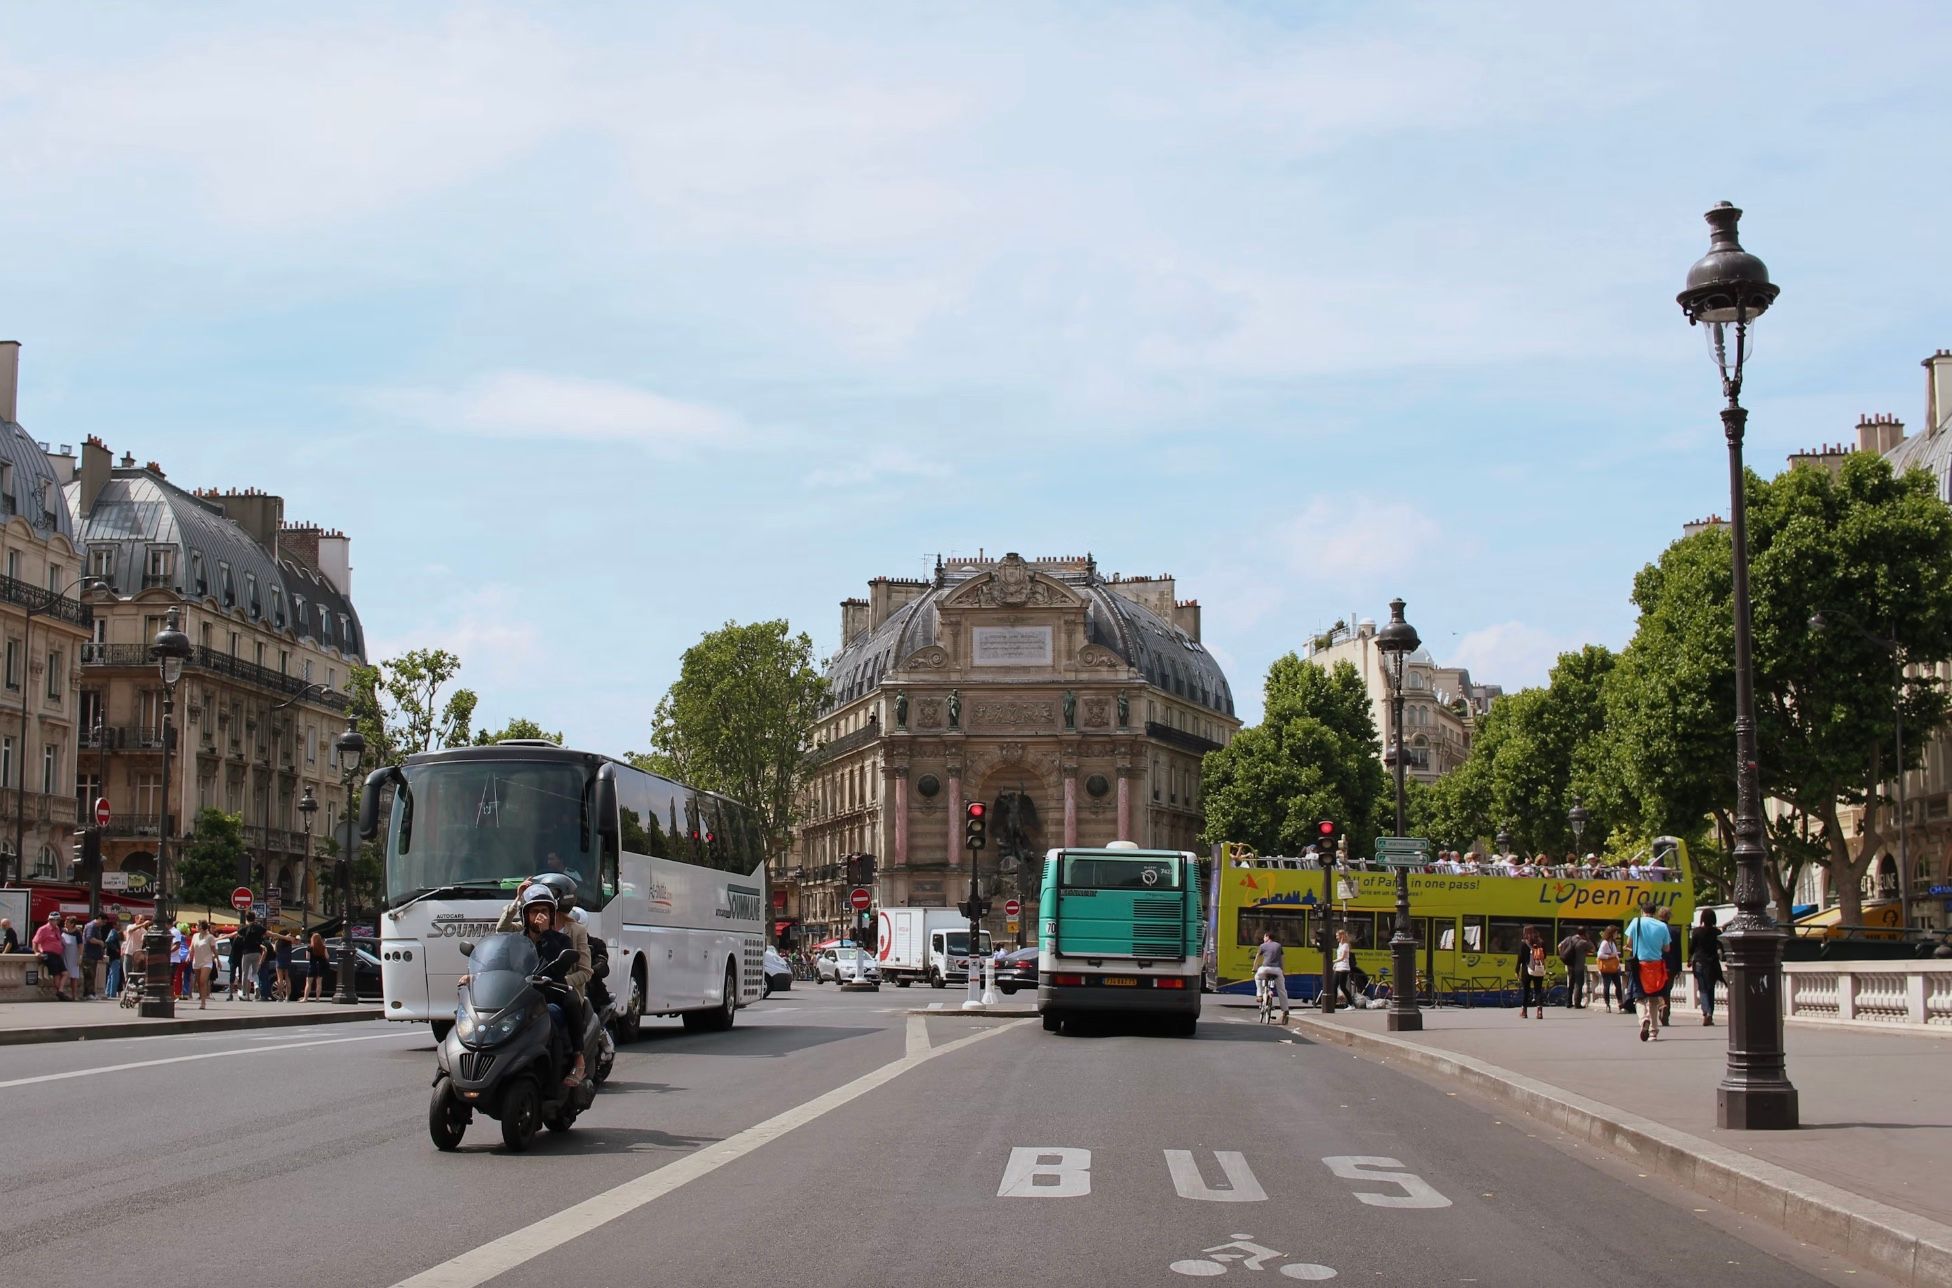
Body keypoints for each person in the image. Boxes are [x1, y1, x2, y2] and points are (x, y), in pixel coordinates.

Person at [514, 884, 585, 1086]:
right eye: (535, 911)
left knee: (569, 1002)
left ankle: (578, 1059)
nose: (540, 916)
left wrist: (545, 933)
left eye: (544, 911)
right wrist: (473, 977)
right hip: (521, 996)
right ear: (525, 914)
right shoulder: (517, 941)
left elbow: (558, 967)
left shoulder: (561, 940)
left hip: (551, 993)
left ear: (552, 915)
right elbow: (500, 962)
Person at [1624, 900, 1672, 1042]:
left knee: (1638, 997)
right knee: (1653, 999)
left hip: (1640, 965)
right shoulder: (1662, 926)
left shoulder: (1636, 922)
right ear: (1655, 912)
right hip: (1656, 966)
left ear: (1642, 911)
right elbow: (1667, 948)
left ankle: (1643, 1019)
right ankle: (1653, 1032)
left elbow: (1629, 944)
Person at [1691, 909, 1724, 1026]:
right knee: (1711, 989)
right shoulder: (1717, 932)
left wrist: (1690, 959)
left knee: (1703, 989)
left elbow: (1692, 947)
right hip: (1712, 963)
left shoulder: (1696, 932)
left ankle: (1706, 1012)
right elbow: (1722, 949)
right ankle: (1711, 1013)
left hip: (1700, 962)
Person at [33, 912, 71, 999]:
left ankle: (60, 991)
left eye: (58, 920)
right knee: (56, 974)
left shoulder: (57, 929)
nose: (57, 922)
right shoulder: (43, 929)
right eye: (56, 920)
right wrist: (36, 952)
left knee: (65, 973)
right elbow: (35, 941)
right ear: (50, 920)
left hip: (58, 954)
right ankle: (60, 992)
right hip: (49, 954)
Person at [1252, 930, 1289, 1022]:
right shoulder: (1279, 946)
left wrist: (1254, 968)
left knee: (1257, 977)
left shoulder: (1262, 946)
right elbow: (1281, 960)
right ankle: (1285, 1011)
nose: (1263, 939)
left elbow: (1257, 958)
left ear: (1267, 937)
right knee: (1282, 990)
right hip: (1277, 970)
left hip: (1265, 969)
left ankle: (1260, 995)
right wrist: (1282, 971)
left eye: (1264, 937)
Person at [1656, 906, 1682, 1028]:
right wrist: (1679, 968)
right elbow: (1678, 951)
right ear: (1669, 917)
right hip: (1670, 965)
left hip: (1656, 962)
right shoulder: (1675, 931)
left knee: (1657, 988)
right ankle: (1666, 1014)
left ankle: (1661, 1006)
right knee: (1668, 990)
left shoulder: (1654, 929)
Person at [1557, 925, 1593, 1009]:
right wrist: (1588, 939)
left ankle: (1568, 1002)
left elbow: (1559, 946)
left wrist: (1564, 955)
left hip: (1570, 964)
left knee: (1571, 984)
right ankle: (1577, 1003)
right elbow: (1593, 949)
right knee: (1578, 984)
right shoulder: (1583, 942)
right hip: (1579, 966)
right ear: (1585, 933)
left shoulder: (1569, 938)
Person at [1517, 925, 1548, 1019]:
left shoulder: (1524, 943)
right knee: (1538, 990)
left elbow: (1520, 958)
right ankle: (1539, 1012)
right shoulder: (1541, 943)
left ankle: (1524, 1012)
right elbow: (1545, 955)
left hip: (1527, 970)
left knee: (1526, 991)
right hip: (1538, 969)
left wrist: (1517, 970)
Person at [234, 913, 265, 1001]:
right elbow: (270, 933)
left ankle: (244, 993)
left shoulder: (244, 929)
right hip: (257, 953)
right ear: (255, 918)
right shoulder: (259, 928)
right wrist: (284, 937)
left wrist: (219, 938)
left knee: (245, 973)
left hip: (247, 953)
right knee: (255, 973)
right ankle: (256, 986)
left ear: (246, 919)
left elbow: (235, 934)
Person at [1595, 925, 1625, 1012]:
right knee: (1606, 986)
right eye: (1616, 933)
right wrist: (1610, 956)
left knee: (1618, 985)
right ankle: (1607, 1004)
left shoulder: (1613, 942)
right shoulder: (1605, 943)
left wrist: (1618, 964)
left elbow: (1615, 955)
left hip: (1614, 968)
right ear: (1612, 933)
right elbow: (1599, 955)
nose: (1617, 934)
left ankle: (1620, 1003)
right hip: (1607, 968)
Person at [191, 921, 219, 1009]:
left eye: (197, 925)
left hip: (207, 962)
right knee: (198, 982)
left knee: (203, 981)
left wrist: (218, 960)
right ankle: (202, 998)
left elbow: (214, 950)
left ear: (202, 927)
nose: (196, 926)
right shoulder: (195, 936)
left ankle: (203, 1003)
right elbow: (192, 947)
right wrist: (189, 956)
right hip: (197, 961)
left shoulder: (210, 937)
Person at [1332, 929, 1358, 1008]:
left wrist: (1333, 961)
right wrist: (1335, 965)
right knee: (1334, 986)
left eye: (1337, 936)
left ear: (1342, 936)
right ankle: (1332, 1005)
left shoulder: (1346, 945)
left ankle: (1351, 1004)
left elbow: (1343, 957)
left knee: (1343, 987)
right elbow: (1339, 956)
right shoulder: (1340, 944)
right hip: (1338, 968)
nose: (1336, 937)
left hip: (1344, 968)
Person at [103, 916, 125, 998]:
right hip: (114, 956)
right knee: (115, 975)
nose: (120, 927)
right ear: (115, 925)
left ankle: (108, 992)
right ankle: (112, 993)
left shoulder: (113, 932)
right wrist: (116, 949)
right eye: (119, 925)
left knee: (111, 974)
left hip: (111, 956)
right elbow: (108, 941)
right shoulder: (114, 932)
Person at [304, 930, 328, 1000]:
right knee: (319, 983)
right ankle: (317, 998)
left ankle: (305, 998)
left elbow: (307, 957)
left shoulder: (309, 947)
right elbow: (327, 957)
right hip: (320, 966)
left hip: (312, 966)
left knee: (308, 983)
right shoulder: (323, 947)